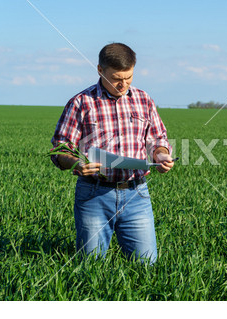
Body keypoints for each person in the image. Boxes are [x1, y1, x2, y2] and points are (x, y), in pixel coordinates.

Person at [50, 43, 174, 264]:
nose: (123, 84)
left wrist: (161, 155)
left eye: (129, 77)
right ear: (100, 70)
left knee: (146, 265)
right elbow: (60, 148)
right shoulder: (81, 102)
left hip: (137, 195)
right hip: (94, 195)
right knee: (90, 265)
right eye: (117, 78)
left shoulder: (144, 99)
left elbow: (157, 140)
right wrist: (76, 162)